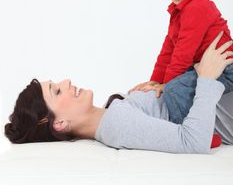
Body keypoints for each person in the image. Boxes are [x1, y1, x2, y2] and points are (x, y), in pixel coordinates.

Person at [4, 33, 233, 153]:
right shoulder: (116, 125)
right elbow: (192, 141)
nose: (67, 81)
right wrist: (206, 79)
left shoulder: (114, 111)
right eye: (56, 91)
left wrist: (161, 85)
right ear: (60, 123)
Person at [130, 0, 233, 102]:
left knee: (174, 91)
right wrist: (156, 80)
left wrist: (167, 84)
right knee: (173, 84)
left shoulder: (198, 8)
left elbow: (183, 51)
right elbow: (169, 49)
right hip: (200, 67)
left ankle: (186, 127)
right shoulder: (179, 11)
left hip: (225, 69)